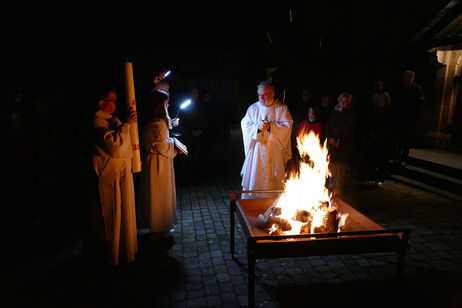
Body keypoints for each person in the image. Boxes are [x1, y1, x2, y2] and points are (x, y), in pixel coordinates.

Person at [89, 88, 138, 266]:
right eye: (113, 101)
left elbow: (127, 143)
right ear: (102, 103)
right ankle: (111, 256)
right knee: (110, 218)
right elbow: (116, 147)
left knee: (123, 214)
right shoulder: (97, 123)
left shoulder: (112, 120)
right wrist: (126, 126)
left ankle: (125, 249)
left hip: (122, 174)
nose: (116, 105)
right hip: (109, 178)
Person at [137, 90, 181, 240]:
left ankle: (154, 226)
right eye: (166, 102)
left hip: (152, 160)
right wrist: (175, 146)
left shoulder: (150, 119)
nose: (168, 105)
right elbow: (162, 146)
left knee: (152, 193)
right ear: (160, 105)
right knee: (161, 193)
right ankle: (161, 228)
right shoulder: (159, 123)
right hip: (160, 162)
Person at [241, 81, 293, 198]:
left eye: (264, 94)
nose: (261, 97)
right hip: (257, 151)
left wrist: (271, 127)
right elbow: (245, 124)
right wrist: (257, 127)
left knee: (273, 180)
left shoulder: (281, 109)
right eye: (259, 95)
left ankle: (274, 204)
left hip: (274, 150)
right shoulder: (253, 108)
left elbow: (288, 126)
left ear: (272, 94)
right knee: (255, 176)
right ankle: (253, 203)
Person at [324, 92, 356, 196]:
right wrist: (330, 137)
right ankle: (329, 193)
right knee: (331, 170)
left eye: (344, 101)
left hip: (342, 146)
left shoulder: (350, 114)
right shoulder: (334, 112)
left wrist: (336, 138)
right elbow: (328, 125)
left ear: (348, 103)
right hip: (332, 146)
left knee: (340, 172)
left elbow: (345, 127)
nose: (342, 103)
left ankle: (337, 194)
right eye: (340, 101)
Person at [395, 70, 425, 163]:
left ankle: (405, 158)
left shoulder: (417, 89)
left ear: (412, 78)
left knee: (407, 139)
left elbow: (420, 104)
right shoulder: (400, 88)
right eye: (404, 77)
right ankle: (397, 157)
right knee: (399, 138)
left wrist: (414, 117)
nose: (406, 79)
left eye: (408, 77)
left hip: (410, 119)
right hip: (400, 118)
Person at [177, 86, 204, 186]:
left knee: (195, 159)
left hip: (198, 136)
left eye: (196, 93)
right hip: (187, 137)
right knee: (185, 159)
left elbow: (204, 120)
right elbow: (180, 122)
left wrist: (201, 130)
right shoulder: (184, 106)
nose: (194, 95)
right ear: (188, 94)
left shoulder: (200, 106)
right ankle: (183, 180)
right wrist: (189, 131)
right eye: (192, 93)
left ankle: (192, 178)